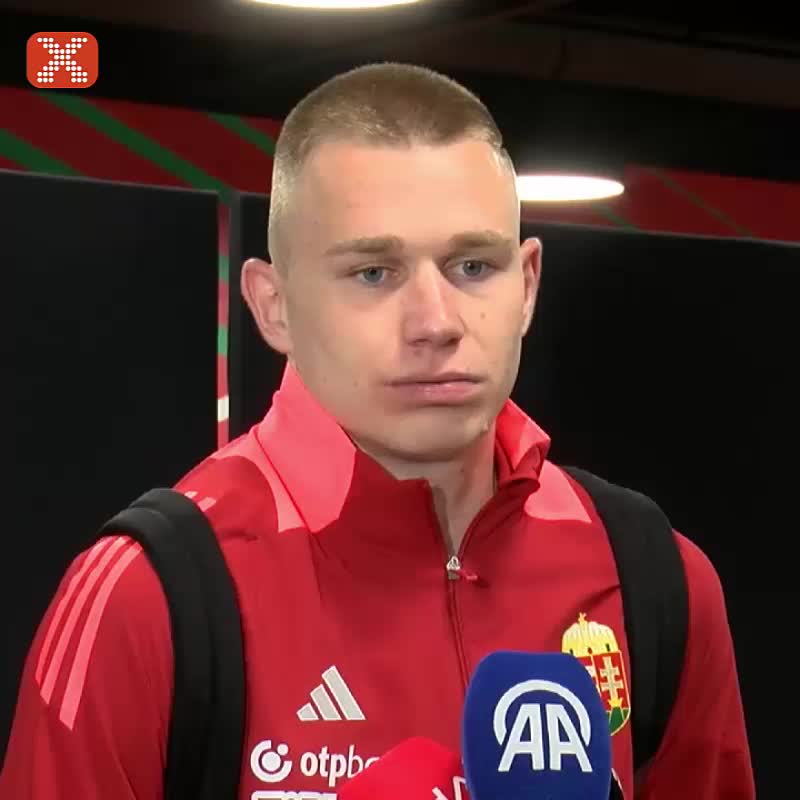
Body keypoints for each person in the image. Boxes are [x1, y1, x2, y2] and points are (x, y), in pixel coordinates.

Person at [0, 62, 754, 800]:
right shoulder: (146, 597)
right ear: (273, 307)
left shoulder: (655, 579)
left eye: (472, 266)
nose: (436, 322)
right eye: (374, 273)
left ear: (527, 286)